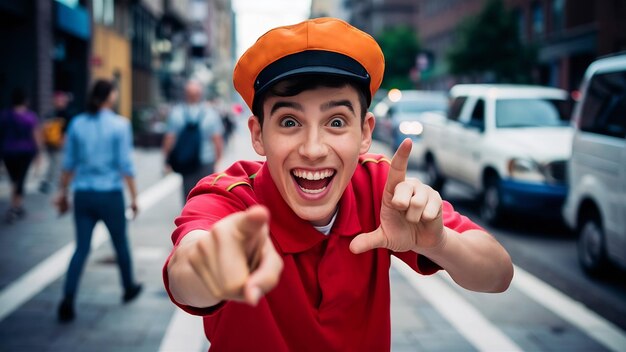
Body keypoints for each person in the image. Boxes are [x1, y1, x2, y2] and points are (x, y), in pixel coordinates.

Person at [163, 18, 514, 351]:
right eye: (289, 121)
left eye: (335, 121)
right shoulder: (230, 197)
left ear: (365, 133)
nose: (313, 149)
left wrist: (439, 242)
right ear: (258, 134)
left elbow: (498, 274)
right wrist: (211, 267)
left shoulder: (379, 189)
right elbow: (187, 270)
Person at [55, 79, 142, 323]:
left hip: (82, 194)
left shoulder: (77, 124)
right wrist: (134, 198)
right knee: (120, 243)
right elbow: (126, 165)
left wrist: (63, 193)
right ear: (110, 97)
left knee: (81, 247)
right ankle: (128, 287)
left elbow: (68, 164)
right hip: (110, 194)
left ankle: (68, 298)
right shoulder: (120, 125)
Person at [162, 80, 224, 202]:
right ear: (200, 94)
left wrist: (167, 160)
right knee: (206, 195)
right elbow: (217, 139)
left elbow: (169, 138)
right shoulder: (210, 113)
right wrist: (217, 159)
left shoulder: (177, 113)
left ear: (185, 94)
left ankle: (189, 217)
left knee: (189, 194)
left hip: (186, 160)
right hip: (207, 161)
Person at [0, 88, 42, 223]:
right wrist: (38, 154)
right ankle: (15, 207)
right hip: (25, 152)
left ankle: (17, 205)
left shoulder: (5, 115)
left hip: (8, 152)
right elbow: (36, 136)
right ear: (25, 101)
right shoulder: (30, 117)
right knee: (20, 179)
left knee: (15, 179)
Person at [39, 91, 73, 194]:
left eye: (61, 100)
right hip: (52, 144)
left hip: (60, 144)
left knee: (57, 164)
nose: (59, 102)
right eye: (58, 100)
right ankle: (54, 184)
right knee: (54, 164)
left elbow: (68, 131)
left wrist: (64, 141)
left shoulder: (67, 114)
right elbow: (44, 128)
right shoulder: (51, 114)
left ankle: (56, 184)